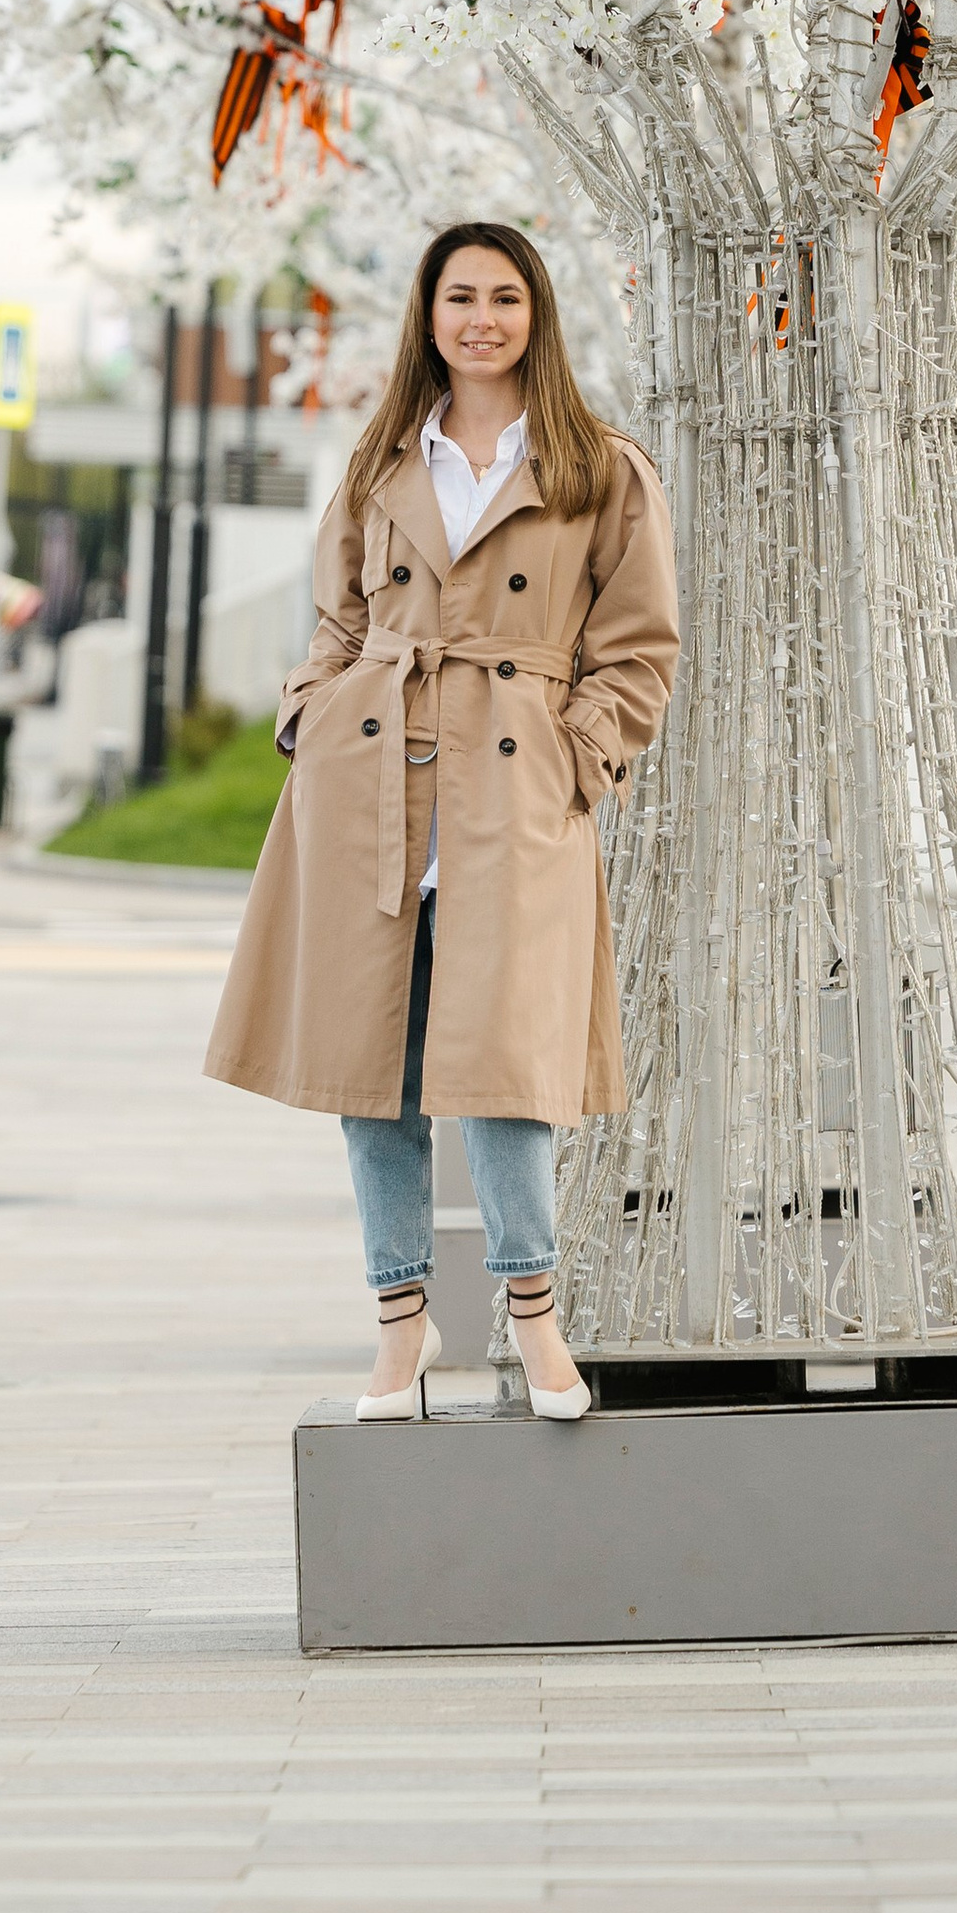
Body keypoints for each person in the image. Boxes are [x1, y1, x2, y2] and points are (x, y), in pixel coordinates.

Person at [203, 221, 679, 1422]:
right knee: (373, 1068)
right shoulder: (380, 460)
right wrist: (313, 716)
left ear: (536, 315)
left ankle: (533, 1319)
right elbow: (337, 619)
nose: (481, 319)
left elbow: (637, 650)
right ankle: (398, 1327)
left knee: (506, 1067)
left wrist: (575, 759)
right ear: (427, 314)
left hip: (512, 792)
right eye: (459, 297)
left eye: (504, 298)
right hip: (368, 785)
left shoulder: (598, 468)